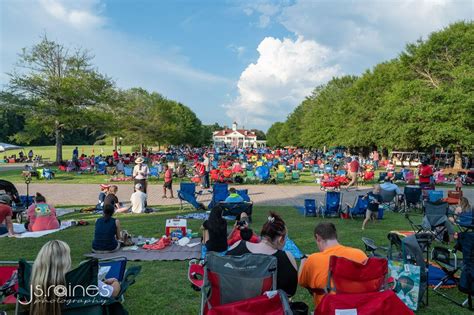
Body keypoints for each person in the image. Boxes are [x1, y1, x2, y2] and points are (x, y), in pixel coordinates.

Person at [30, 240, 120, 315]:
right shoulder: (82, 279)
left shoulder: (35, 283)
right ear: (65, 260)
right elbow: (113, 292)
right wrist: (115, 282)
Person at [227, 212, 298, 296]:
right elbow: (290, 292)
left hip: (234, 305)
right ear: (280, 239)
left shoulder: (236, 247)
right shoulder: (286, 258)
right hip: (268, 307)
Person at [298, 222, 367, 307]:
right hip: (357, 308)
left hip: (327, 309)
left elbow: (302, 282)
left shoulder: (313, 259)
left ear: (318, 238)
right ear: (335, 236)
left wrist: (303, 260)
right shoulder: (360, 254)